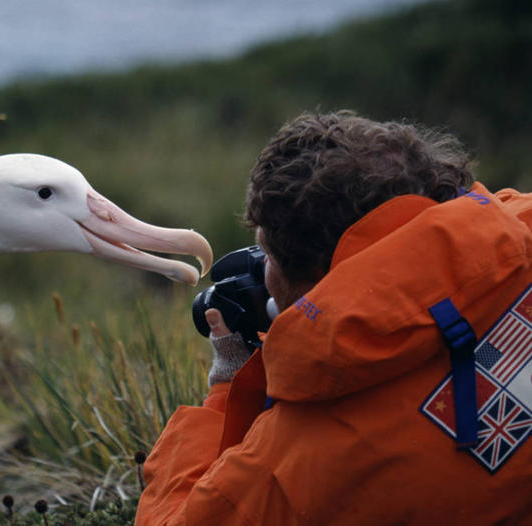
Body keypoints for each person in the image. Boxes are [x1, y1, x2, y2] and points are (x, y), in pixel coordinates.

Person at [135, 111, 532, 525]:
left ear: (310, 277)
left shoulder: (296, 458)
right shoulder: (521, 218)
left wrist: (226, 392)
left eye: (266, 254)